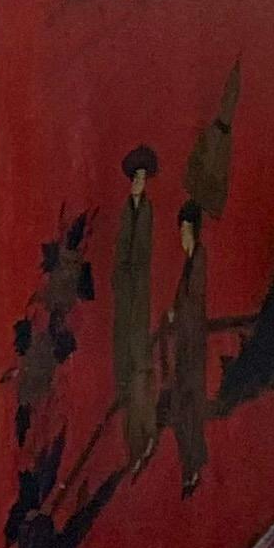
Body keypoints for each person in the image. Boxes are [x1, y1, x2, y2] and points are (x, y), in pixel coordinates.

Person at [112, 144, 159, 467]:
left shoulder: (147, 211)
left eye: (143, 177)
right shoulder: (127, 210)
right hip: (125, 294)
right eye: (136, 178)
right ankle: (134, 445)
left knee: (141, 367)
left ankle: (143, 439)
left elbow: (142, 254)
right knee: (126, 368)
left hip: (140, 295)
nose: (139, 183)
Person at [163, 200, 210, 495]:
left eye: (184, 230)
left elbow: (195, 303)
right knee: (184, 406)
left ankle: (192, 467)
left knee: (188, 406)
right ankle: (191, 466)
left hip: (192, 345)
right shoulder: (189, 261)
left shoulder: (198, 259)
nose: (181, 237)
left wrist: (177, 314)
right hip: (185, 344)